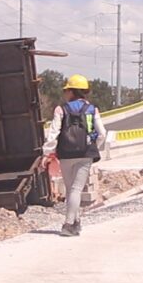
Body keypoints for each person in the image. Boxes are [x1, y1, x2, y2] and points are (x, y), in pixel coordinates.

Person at [39, 74, 107, 237]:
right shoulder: (92, 109)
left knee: (71, 189)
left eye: (66, 90)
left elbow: (53, 133)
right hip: (85, 154)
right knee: (76, 189)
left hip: (66, 154)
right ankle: (71, 223)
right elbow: (102, 133)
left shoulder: (60, 109)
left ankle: (72, 223)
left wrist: (47, 153)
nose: (65, 93)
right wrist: (92, 147)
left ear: (71, 91)